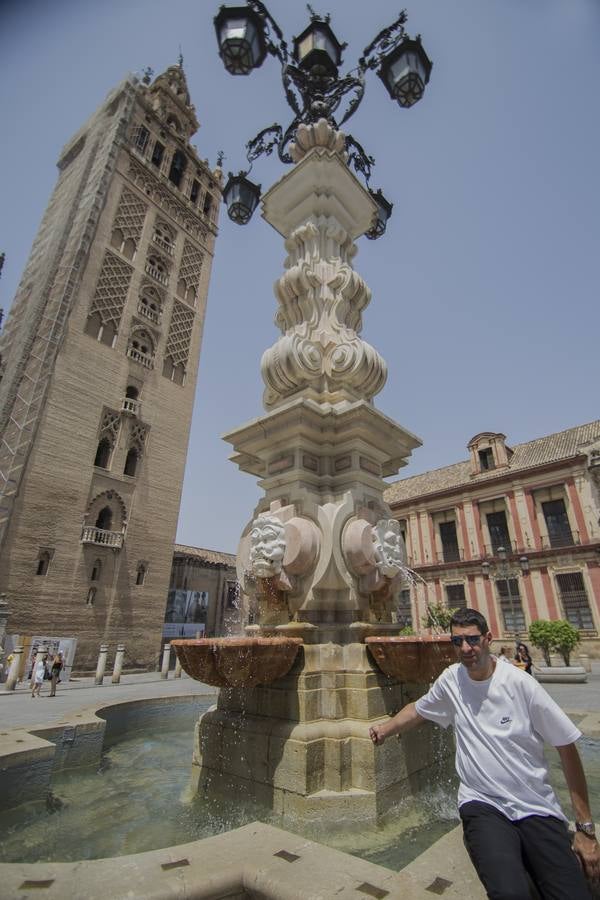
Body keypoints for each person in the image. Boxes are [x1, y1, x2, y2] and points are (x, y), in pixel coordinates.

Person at [369, 607, 599, 899]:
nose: (466, 648)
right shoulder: (451, 679)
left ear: (488, 638)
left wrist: (585, 829)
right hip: (483, 805)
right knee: (508, 892)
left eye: (473, 639)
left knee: (571, 893)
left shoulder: (520, 684)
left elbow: (566, 746)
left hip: (535, 805)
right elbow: (418, 709)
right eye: (457, 641)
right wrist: (385, 729)